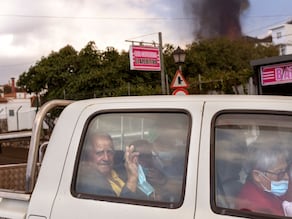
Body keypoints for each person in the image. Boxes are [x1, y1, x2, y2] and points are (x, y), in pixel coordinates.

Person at [76, 132, 140, 198]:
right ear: (88, 155)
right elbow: (119, 207)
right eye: (99, 153)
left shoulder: (118, 171)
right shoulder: (91, 183)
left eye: (109, 152)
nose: (106, 158)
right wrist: (132, 179)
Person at [235, 139, 290, 216]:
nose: (287, 177)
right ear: (257, 175)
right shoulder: (257, 208)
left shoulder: (267, 188)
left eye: (286, 170)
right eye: (280, 173)